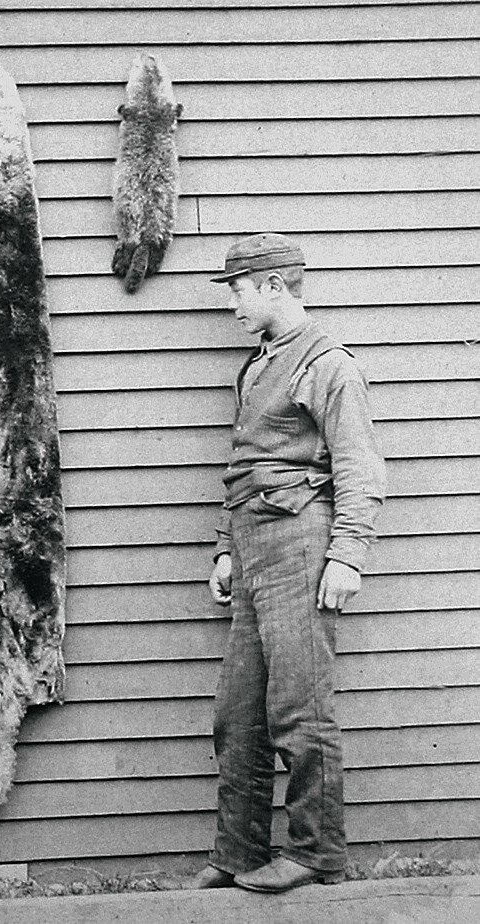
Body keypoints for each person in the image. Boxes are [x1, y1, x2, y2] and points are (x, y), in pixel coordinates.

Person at [188, 233, 387, 893]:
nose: (234, 306)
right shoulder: (258, 366)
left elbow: (359, 467)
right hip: (253, 549)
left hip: (301, 542)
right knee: (238, 714)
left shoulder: (328, 364)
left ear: (275, 285)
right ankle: (239, 851)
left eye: (239, 292)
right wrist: (226, 547)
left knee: (300, 710)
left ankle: (316, 853)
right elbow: (244, 464)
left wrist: (347, 556)